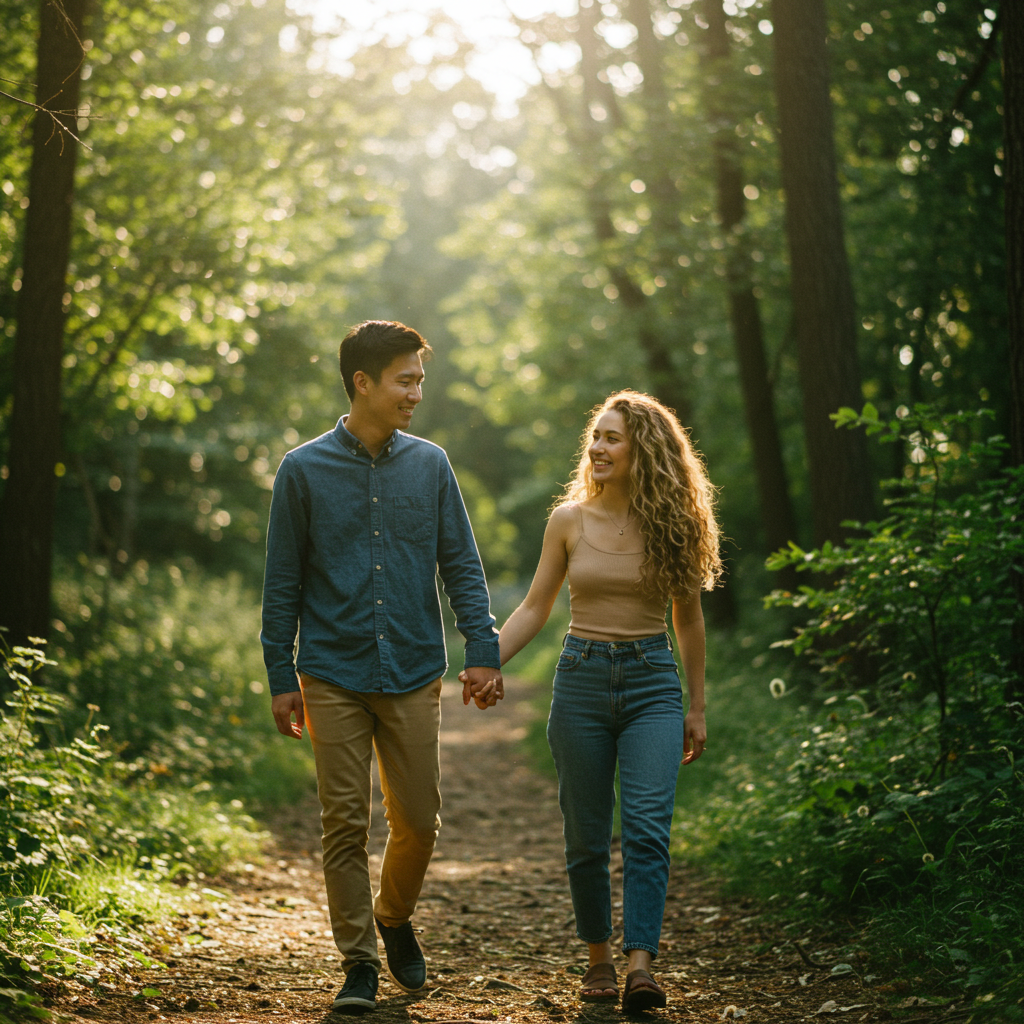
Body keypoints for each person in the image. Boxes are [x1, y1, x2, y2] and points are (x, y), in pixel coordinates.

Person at [261, 320, 503, 1016]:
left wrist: (481, 650)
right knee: (343, 823)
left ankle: (392, 916)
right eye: (406, 379)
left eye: (419, 380)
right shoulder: (301, 470)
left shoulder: (431, 465)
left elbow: (461, 564)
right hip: (331, 672)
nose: (416, 393)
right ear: (363, 382)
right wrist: (282, 674)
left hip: (412, 668)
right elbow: (281, 585)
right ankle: (359, 963)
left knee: (420, 821)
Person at [465, 389, 721, 1012]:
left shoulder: (676, 524)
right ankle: (598, 959)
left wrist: (697, 705)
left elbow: (688, 620)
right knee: (585, 833)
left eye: (612, 438)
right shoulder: (568, 521)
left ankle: (641, 965)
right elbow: (534, 607)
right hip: (580, 681)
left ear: (646, 451)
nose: (598, 447)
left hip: (652, 684)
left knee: (646, 828)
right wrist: (483, 662)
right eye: (595, 438)